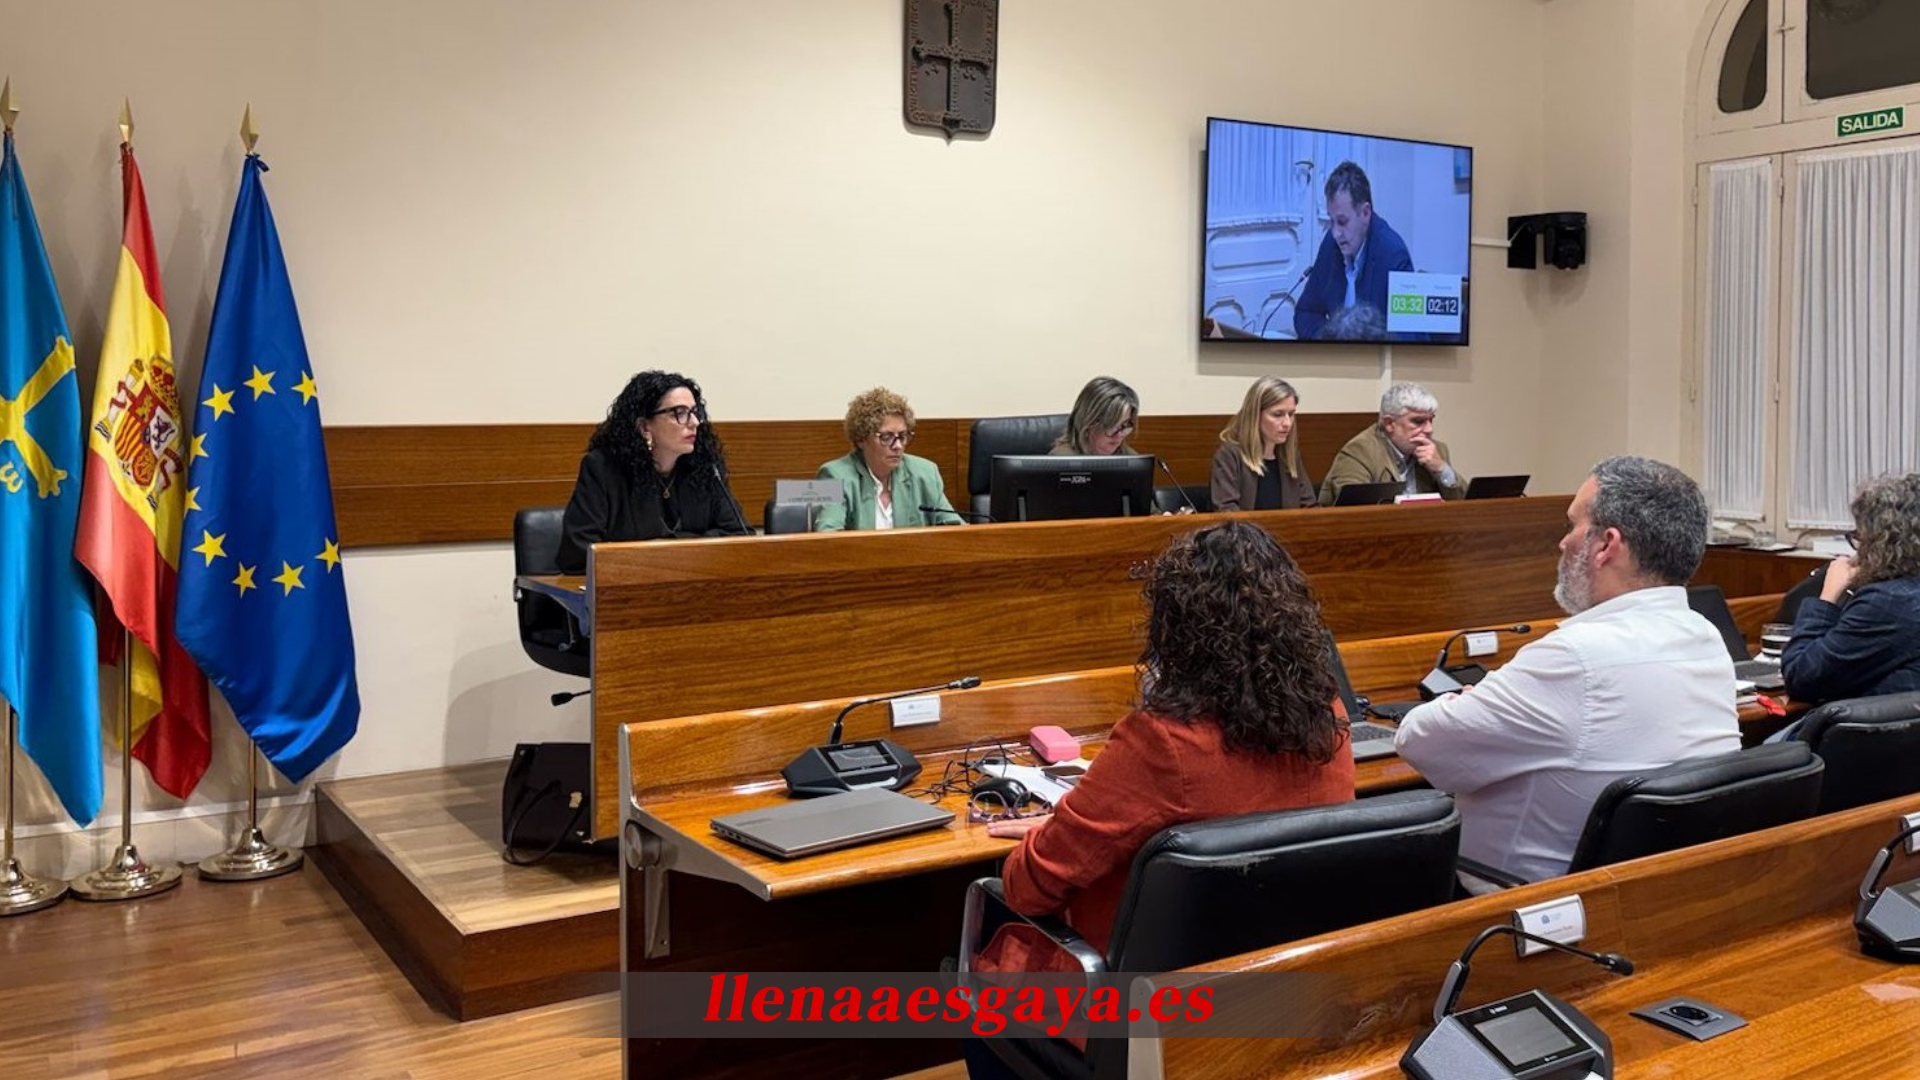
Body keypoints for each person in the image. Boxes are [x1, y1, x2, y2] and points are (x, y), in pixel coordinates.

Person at [970, 521, 1355, 981]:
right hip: (1286, 984)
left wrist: (1050, 836)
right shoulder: (1328, 715)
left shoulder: (1162, 741)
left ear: (1174, 631)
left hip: (1137, 999)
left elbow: (1026, 889)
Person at [1393, 457, 1742, 881]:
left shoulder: (1574, 658)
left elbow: (1419, 742)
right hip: (1651, 889)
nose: (1563, 543)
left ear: (1606, 545)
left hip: (1509, 899)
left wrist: (1466, 701)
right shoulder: (1705, 638)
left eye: (1573, 525)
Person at [555, 370, 749, 573]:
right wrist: (689, 547)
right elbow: (579, 553)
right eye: (679, 413)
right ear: (644, 427)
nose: (694, 422)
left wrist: (666, 548)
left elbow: (741, 537)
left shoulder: (705, 467)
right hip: (627, 586)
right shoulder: (603, 469)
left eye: (694, 411)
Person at [1780, 472, 1920, 703]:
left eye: (1860, 537)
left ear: (1881, 542)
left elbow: (1800, 676)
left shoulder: (1887, 602)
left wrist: (1827, 597)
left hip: (1857, 726)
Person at [1292, 161, 1414, 342]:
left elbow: (1408, 337)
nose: (1335, 233)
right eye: (1331, 221)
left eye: (1342, 222)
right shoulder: (1331, 244)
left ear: (1365, 213)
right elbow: (1306, 312)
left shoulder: (1393, 255)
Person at [813, 387, 964, 530]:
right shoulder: (831, 475)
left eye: (902, 436)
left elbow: (956, 529)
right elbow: (828, 536)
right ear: (861, 439)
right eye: (886, 437)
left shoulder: (926, 473)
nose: (898, 446)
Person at [1318, 382, 1466, 505]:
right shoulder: (1359, 451)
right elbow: (1353, 509)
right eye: (1418, 421)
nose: (1429, 430)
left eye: (1431, 420)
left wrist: (1441, 469)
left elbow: (1464, 506)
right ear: (1389, 423)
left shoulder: (1437, 450)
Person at [1210, 376, 1315, 511]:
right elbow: (1227, 512)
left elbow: (1310, 508)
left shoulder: (1289, 456)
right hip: (1245, 526)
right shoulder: (1230, 455)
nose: (1287, 423)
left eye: (1291, 414)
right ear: (1255, 415)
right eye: (1278, 414)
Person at [1051, 376, 1140, 456]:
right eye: (1112, 426)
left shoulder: (1129, 458)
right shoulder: (1063, 460)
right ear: (1088, 423)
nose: (1119, 435)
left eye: (1125, 425)